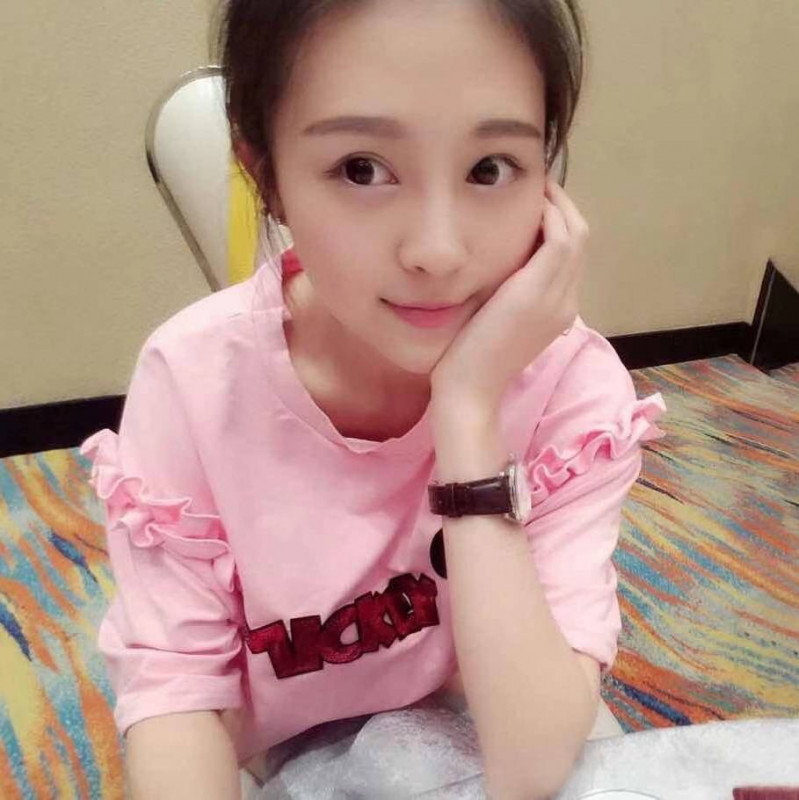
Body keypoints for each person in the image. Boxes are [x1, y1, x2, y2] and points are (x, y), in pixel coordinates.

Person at [81, 0, 667, 797]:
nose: (437, 251)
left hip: (485, 710)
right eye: (361, 168)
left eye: (490, 168)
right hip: (279, 752)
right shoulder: (193, 382)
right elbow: (179, 701)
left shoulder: (566, 384)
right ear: (266, 177)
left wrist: (467, 413)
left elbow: (531, 759)